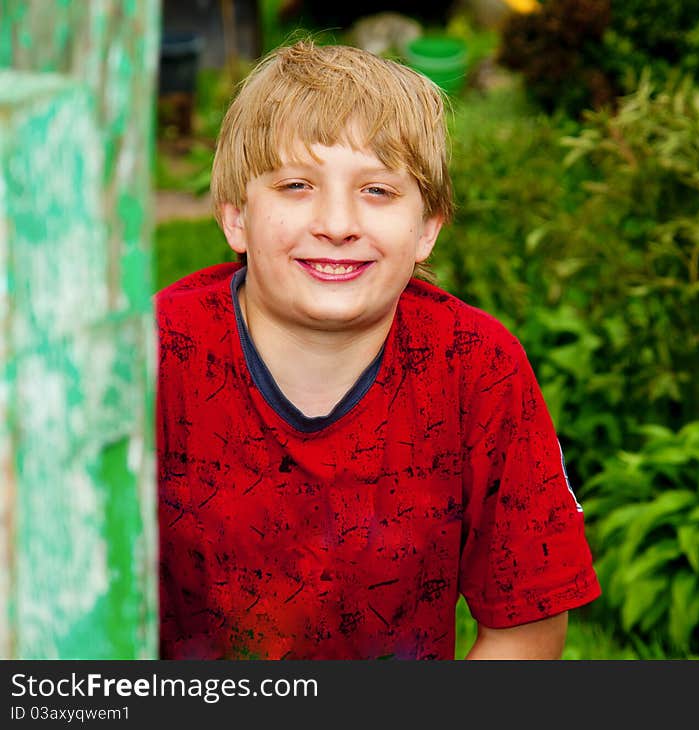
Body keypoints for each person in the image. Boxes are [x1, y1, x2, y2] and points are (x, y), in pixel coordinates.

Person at [156, 40, 600, 660]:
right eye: (295, 184)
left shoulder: (477, 368)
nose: (337, 224)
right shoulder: (154, 360)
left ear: (427, 228)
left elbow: (526, 626)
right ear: (235, 217)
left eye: (378, 191)